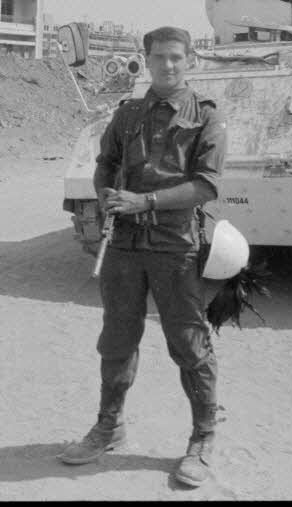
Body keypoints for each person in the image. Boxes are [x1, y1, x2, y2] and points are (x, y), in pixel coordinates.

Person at [58, 25, 229, 488]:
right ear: (147, 60)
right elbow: (105, 163)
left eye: (176, 57)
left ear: (189, 59)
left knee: (190, 345)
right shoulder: (128, 113)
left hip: (174, 246)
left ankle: (202, 437)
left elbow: (206, 185)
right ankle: (109, 427)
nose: (167, 65)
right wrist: (107, 195)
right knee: (116, 340)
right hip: (125, 246)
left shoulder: (206, 116)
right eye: (159, 58)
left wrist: (145, 202)